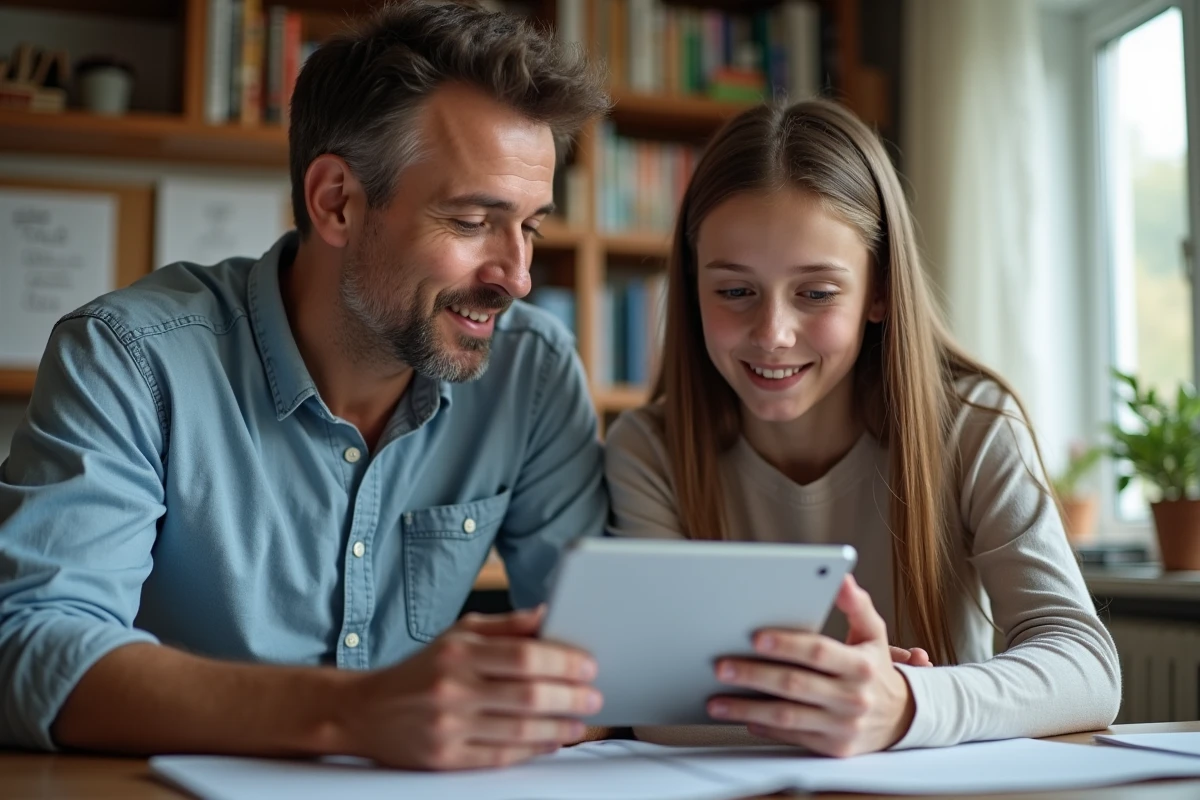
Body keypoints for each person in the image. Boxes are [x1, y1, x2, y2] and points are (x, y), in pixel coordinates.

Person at [0, 1, 611, 770]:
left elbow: (603, 645)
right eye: (470, 222)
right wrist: (353, 715)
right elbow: (28, 647)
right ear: (337, 202)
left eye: (531, 225)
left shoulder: (532, 372)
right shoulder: (129, 358)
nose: (517, 277)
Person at [604, 99, 1121, 756]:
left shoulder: (972, 423)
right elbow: (652, 701)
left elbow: (1087, 669)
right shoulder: (648, 450)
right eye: (735, 292)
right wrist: (830, 695)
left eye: (816, 293)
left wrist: (903, 703)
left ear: (878, 292)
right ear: (692, 287)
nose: (772, 334)